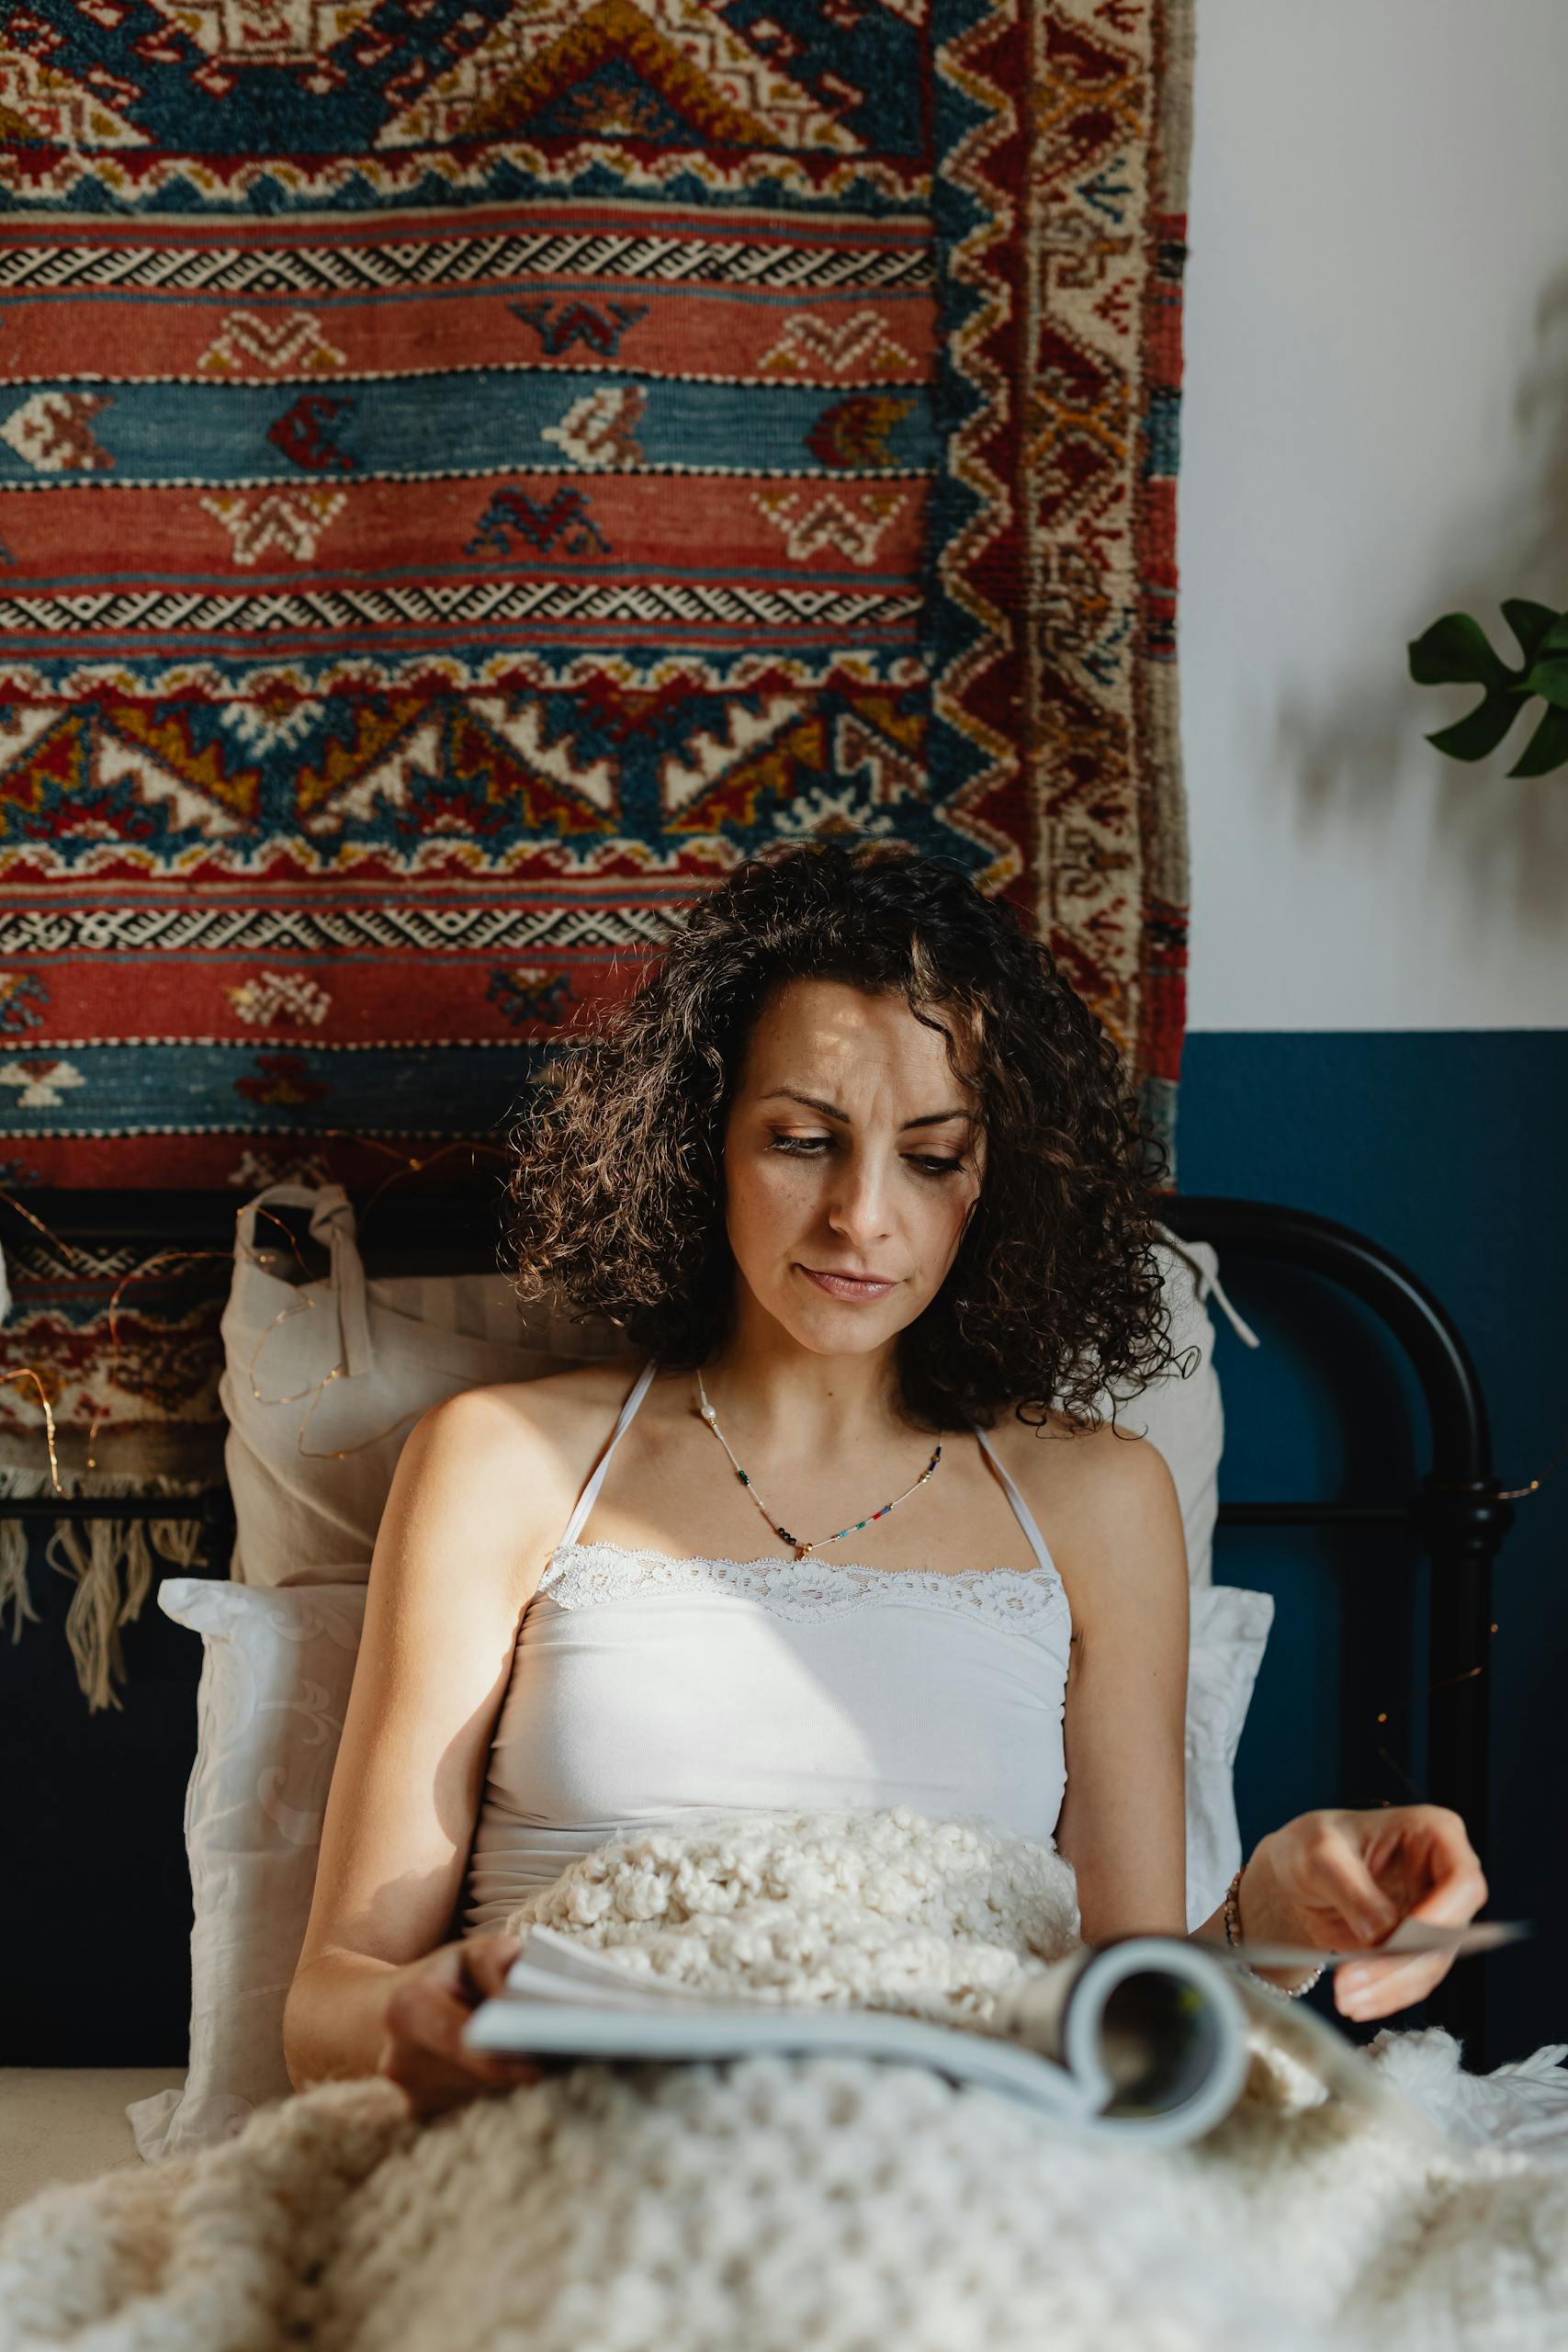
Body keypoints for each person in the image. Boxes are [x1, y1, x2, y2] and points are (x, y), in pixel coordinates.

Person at [282, 839, 1488, 2120]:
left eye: (930, 1157)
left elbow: (1122, 2010)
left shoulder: (1096, 1496)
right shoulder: (503, 1463)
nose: (862, 1215)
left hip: (962, 2149)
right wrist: (424, 2016)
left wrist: (1264, 1918)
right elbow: (328, 2007)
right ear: (700, 1141)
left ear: (995, 1180)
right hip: (587, 2132)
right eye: (803, 1140)